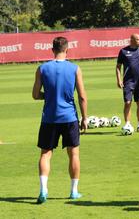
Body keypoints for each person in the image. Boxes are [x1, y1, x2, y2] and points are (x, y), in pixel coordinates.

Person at [32, 37, 88, 204]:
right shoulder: (75, 69)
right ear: (67, 50)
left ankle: (43, 189)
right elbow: (82, 97)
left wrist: (48, 96)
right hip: (69, 117)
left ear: (52, 49)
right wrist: (84, 118)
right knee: (74, 154)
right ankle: (74, 191)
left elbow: (35, 95)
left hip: (49, 118)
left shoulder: (42, 68)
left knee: (45, 154)